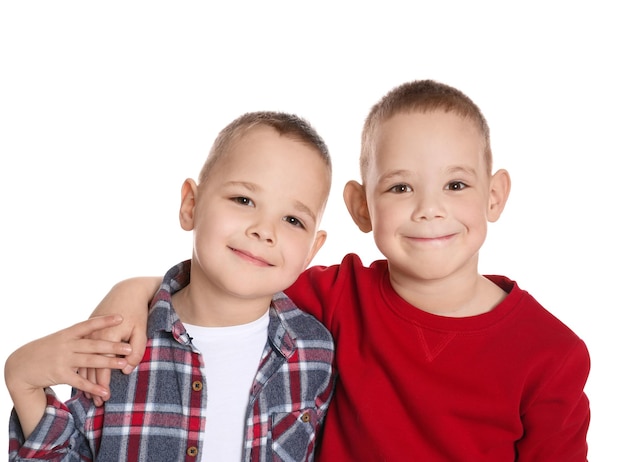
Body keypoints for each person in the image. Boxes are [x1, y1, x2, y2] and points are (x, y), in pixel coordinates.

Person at [82, 80, 591, 460]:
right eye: (400, 187)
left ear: (495, 195)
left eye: (455, 185)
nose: (429, 209)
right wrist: (133, 292)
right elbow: (228, 281)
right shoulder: (338, 294)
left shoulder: (551, 354)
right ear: (361, 207)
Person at [5, 111, 336, 462]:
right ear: (191, 205)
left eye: (293, 220)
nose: (264, 230)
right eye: (243, 200)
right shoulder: (121, 345)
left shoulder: (315, 352)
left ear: (312, 251)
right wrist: (23, 383)